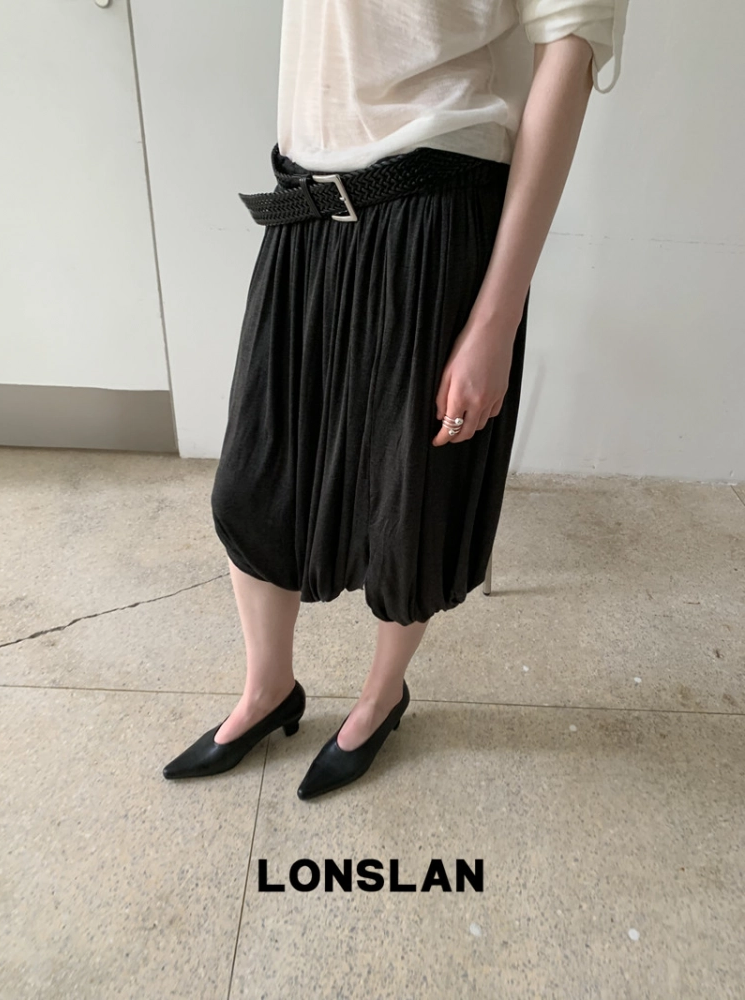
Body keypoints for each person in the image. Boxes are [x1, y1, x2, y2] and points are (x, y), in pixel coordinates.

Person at [163, 0, 625, 797]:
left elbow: (570, 53)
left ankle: (380, 700)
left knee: (410, 499)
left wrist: (495, 320)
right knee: (253, 484)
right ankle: (268, 689)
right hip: (303, 202)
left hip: (434, 208)